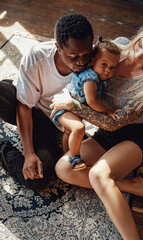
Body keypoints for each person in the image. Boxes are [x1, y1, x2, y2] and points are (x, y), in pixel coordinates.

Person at [50, 19, 143, 240]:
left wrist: (73, 106)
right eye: (139, 46)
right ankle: (140, 189)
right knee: (64, 168)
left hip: (133, 139)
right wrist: (67, 95)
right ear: (140, 36)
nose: (137, 57)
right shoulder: (116, 47)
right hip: (104, 137)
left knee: (99, 176)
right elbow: (83, 73)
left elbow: (113, 123)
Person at [0, 13, 93, 190]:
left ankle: (1, 148)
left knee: (36, 179)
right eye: (73, 56)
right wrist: (28, 153)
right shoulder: (36, 56)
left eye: (85, 54)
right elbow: (24, 106)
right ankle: (15, 87)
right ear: (58, 47)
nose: (81, 62)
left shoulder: (97, 61)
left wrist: (31, 158)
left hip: (52, 123)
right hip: (26, 104)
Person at [51, 37, 120, 171]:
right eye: (104, 64)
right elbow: (92, 101)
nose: (108, 70)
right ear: (92, 61)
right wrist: (108, 111)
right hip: (63, 108)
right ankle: (74, 157)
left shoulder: (95, 76)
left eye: (112, 67)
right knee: (78, 128)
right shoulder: (91, 77)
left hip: (70, 109)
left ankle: (65, 155)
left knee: (70, 131)